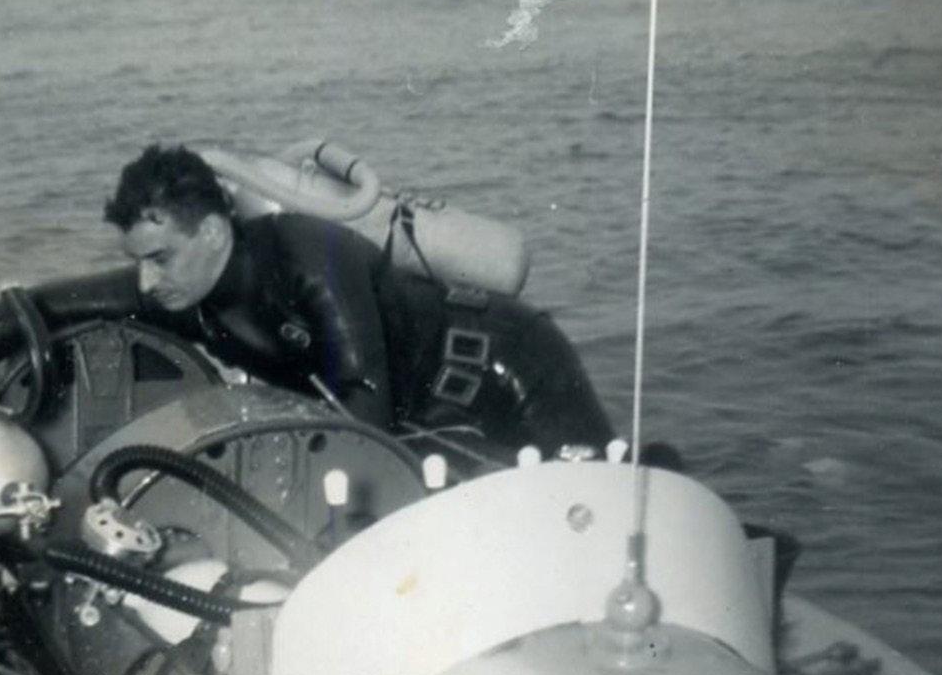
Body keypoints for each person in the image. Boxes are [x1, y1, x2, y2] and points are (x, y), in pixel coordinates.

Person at [103, 143, 631, 458]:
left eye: (159, 258)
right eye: (139, 263)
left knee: (594, 498)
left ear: (213, 232)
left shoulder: (307, 256)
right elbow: (91, 298)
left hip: (511, 364)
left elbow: (365, 410)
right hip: (434, 409)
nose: (146, 283)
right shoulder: (187, 289)